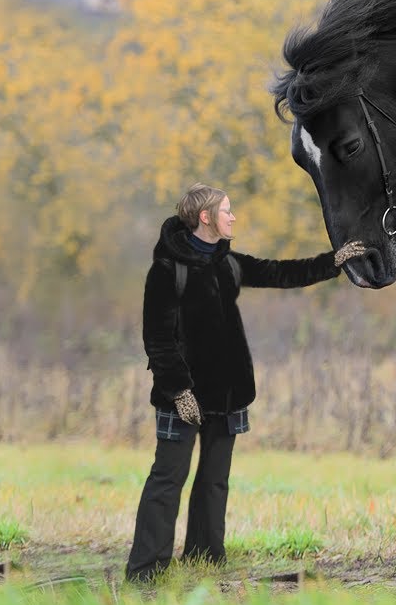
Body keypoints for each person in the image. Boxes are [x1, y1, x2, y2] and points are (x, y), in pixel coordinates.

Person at [125, 182, 364, 583]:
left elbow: (279, 272)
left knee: (215, 480)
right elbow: (157, 338)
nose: (233, 217)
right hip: (180, 397)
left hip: (226, 393)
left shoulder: (227, 263)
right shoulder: (166, 269)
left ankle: (205, 558)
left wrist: (333, 262)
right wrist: (179, 390)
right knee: (168, 478)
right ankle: (146, 569)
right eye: (227, 211)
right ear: (206, 218)